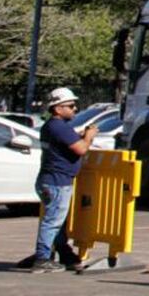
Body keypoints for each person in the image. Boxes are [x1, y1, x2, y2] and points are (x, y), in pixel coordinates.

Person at [29, 87, 94, 273]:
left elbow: (68, 144)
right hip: (57, 181)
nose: (75, 109)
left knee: (57, 222)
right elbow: (81, 149)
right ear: (57, 109)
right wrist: (88, 137)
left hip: (51, 180)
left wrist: (81, 136)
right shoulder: (59, 127)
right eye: (71, 106)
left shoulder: (52, 127)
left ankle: (64, 254)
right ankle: (42, 258)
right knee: (52, 222)